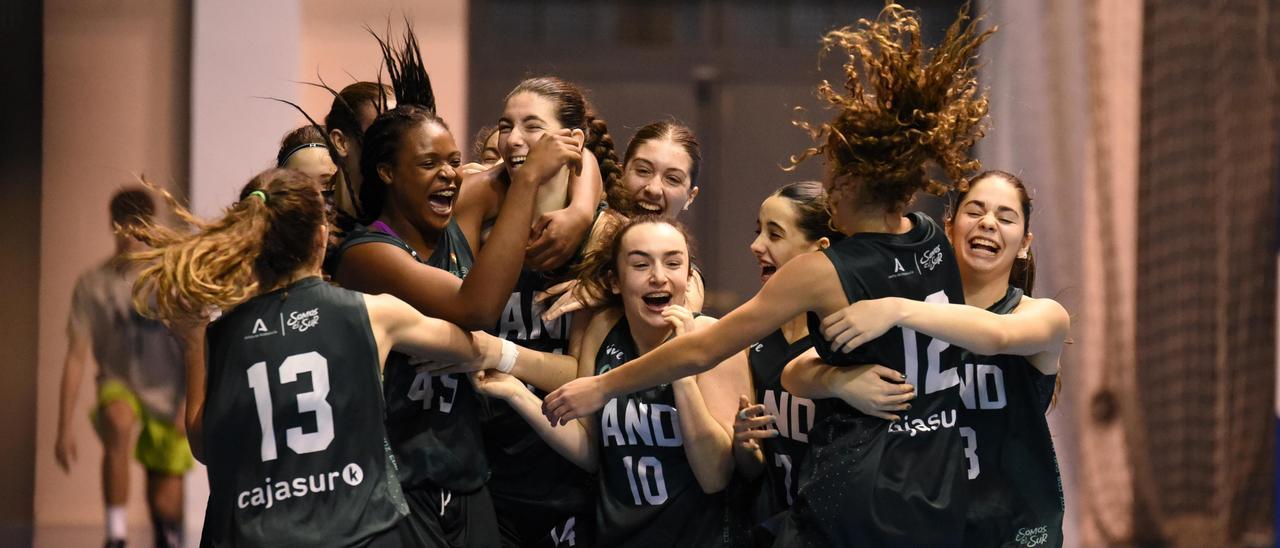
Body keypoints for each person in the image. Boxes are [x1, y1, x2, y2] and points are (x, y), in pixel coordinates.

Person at [543, 4, 995, 545]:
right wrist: (836, 376)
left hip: (860, 488)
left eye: (831, 174)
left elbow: (702, 349)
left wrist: (604, 385)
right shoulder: (930, 237)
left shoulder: (823, 270)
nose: (825, 187)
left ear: (852, 182)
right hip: (938, 484)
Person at [126, 168, 512, 547]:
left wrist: (193, 343)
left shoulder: (224, 334)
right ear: (322, 239)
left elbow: (206, 447)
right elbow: (470, 346)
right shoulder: (373, 314)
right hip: (360, 533)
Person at [329, 27, 585, 548]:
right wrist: (530, 180)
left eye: (452, 162)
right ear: (386, 173)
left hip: (467, 479)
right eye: (429, 164)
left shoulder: (455, 217)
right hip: (396, 485)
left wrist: (580, 209)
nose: (449, 175)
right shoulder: (366, 255)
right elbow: (477, 306)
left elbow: (568, 149)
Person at [788, 170, 1068, 547]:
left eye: (1005, 218)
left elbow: (996, 335)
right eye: (975, 211)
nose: (988, 224)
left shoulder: (1043, 315)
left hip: (1013, 527)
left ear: (1024, 243)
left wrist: (898, 309)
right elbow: (794, 372)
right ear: (949, 228)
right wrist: (839, 382)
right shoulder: (912, 310)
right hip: (927, 523)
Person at [473, 217, 748, 547]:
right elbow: (591, 450)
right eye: (640, 264)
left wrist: (681, 365)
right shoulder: (604, 328)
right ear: (615, 281)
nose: (659, 276)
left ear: (687, 278)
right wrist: (516, 393)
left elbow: (715, 477)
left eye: (673, 263)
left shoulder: (712, 341)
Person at [54, 188, 191, 548]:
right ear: (113, 226)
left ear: (151, 227)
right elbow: (76, 356)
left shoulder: (170, 278)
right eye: (123, 227)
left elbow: (195, 342)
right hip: (120, 382)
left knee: (166, 503)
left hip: (167, 390)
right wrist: (64, 426)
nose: (130, 235)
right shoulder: (93, 284)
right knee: (117, 419)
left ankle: (168, 534)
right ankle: (116, 534)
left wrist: (190, 400)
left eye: (138, 227)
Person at [728, 182, 841, 543]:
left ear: (820, 250)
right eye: (758, 231)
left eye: (774, 235)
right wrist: (743, 444)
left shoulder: (845, 341)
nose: (756, 246)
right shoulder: (754, 335)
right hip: (766, 529)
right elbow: (752, 469)